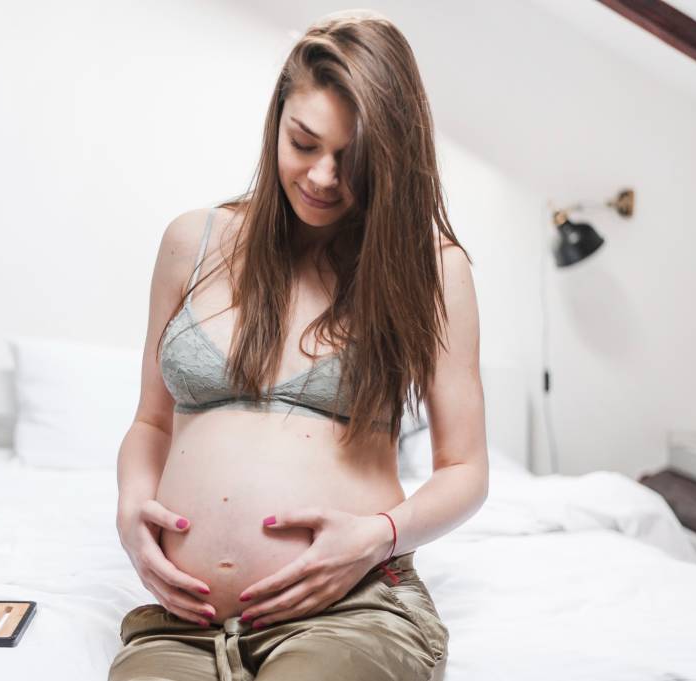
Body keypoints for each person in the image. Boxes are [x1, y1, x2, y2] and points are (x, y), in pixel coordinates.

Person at [110, 9, 487, 681]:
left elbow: (465, 468)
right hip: (185, 622)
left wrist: (378, 535)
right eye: (304, 142)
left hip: (350, 608)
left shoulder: (431, 267)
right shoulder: (191, 242)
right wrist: (132, 507)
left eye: (353, 160)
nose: (321, 176)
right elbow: (149, 420)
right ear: (277, 121)